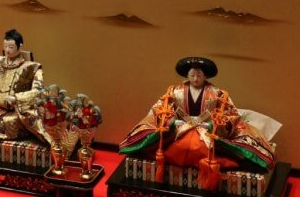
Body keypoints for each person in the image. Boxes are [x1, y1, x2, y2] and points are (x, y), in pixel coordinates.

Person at [119, 57, 277, 189]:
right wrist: (172, 122)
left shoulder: (218, 94)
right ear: (187, 75)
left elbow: (231, 114)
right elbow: (160, 108)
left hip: (207, 133)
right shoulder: (175, 91)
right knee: (171, 145)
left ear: (206, 77)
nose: (195, 79)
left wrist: (214, 125)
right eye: (192, 75)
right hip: (180, 130)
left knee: (208, 148)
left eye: (199, 75)